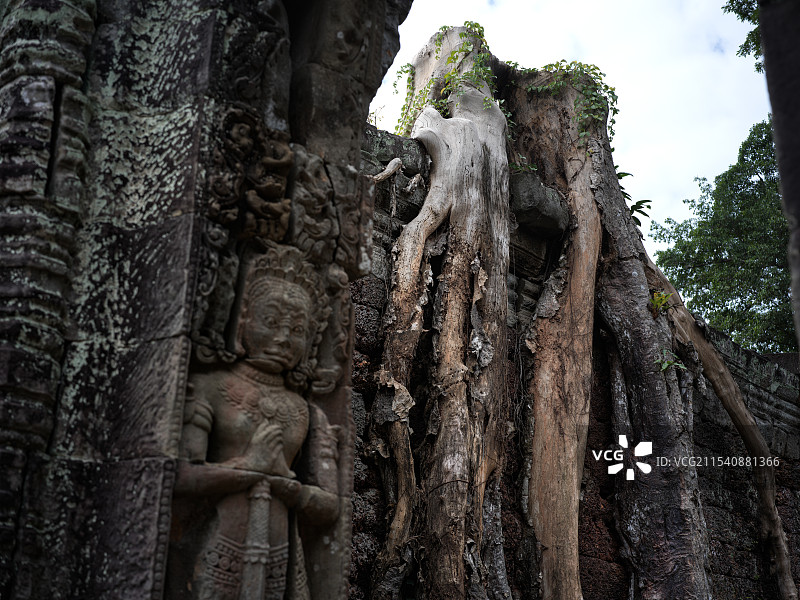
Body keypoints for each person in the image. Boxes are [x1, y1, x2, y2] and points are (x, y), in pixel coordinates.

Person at [169, 246, 339, 600]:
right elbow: (181, 475)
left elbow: (330, 505)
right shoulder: (209, 387)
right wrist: (248, 466)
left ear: (310, 340)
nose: (284, 338)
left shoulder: (308, 412)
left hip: (283, 555)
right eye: (271, 322)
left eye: (297, 329)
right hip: (212, 544)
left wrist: (290, 488)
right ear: (242, 319)